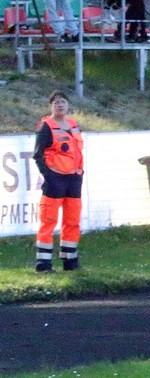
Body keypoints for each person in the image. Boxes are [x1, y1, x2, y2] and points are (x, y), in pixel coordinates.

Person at [32, 92, 84, 274]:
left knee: (72, 220)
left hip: (74, 178)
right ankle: (43, 262)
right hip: (56, 179)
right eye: (56, 102)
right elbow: (38, 155)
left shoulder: (73, 125)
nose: (60, 105)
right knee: (49, 219)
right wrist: (49, 175)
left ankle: (70, 260)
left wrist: (79, 173)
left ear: (68, 105)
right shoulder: (46, 126)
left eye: (63, 102)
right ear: (51, 106)